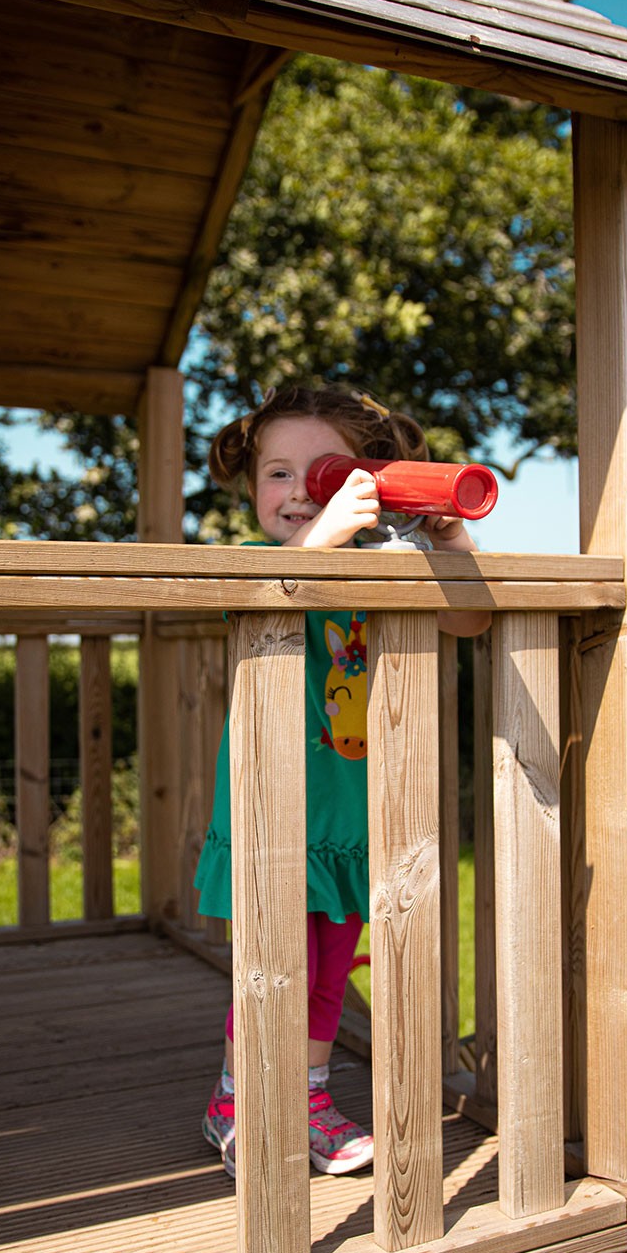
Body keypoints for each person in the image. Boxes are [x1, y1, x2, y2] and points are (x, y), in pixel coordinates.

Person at [195, 383, 490, 1178]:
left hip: (350, 818)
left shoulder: (388, 571)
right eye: (277, 476)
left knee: (329, 969)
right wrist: (323, 538)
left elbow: (470, 619)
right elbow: (271, 594)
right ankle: (238, 1098)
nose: (296, 494)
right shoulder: (257, 563)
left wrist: (447, 542)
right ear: (252, 489)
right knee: (272, 963)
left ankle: (310, 1097)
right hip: (275, 808)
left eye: (319, 474)